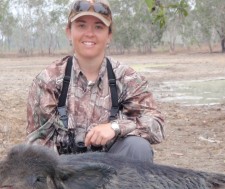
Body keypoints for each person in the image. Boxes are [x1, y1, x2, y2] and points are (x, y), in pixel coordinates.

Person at [26, 0, 164, 162]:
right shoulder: (47, 80)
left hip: (114, 174)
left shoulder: (127, 78)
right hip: (64, 175)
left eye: (98, 27)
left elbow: (156, 124)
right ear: (69, 32)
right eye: (81, 25)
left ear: (109, 35)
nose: (89, 33)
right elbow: (37, 143)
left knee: (138, 147)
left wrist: (115, 127)